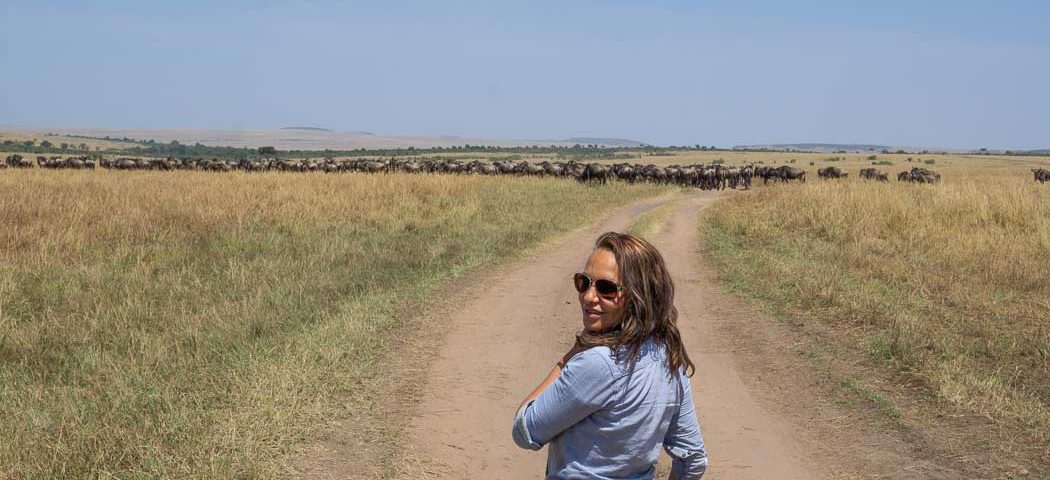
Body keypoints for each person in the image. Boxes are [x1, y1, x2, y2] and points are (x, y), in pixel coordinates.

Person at [512, 231, 708, 480]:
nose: (588, 297)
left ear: (638, 296)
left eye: (606, 288)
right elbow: (693, 458)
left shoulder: (597, 363)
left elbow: (525, 429)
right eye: (584, 282)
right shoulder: (669, 357)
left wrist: (575, 351)